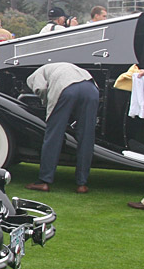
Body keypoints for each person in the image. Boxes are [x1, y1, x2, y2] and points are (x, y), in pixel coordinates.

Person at [23, 62, 99, 194]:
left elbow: (40, 89)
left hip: (66, 89)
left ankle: (44, 181)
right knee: (87, 137)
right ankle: (82, 183)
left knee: (54, 136)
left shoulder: (36, 74)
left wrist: (46, 103)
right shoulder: (64, 66)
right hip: (91, 88)